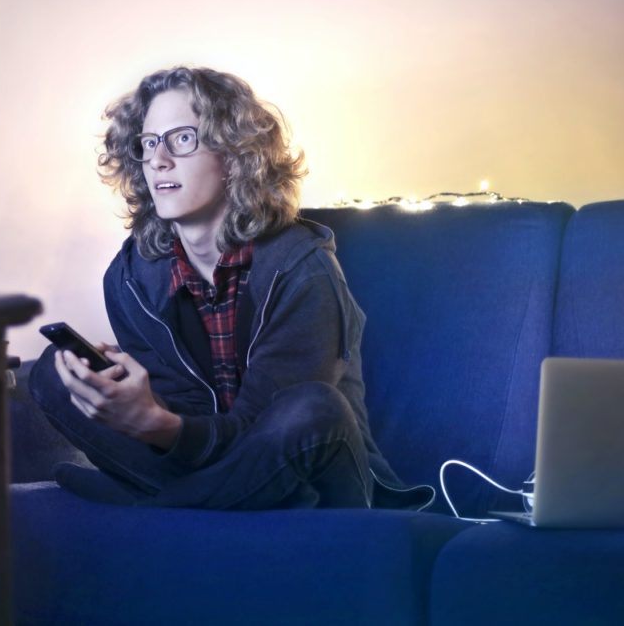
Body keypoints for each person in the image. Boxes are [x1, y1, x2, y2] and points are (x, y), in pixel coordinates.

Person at [29, 66, 431, 510]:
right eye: (148, 143)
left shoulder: (302, 271)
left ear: (236, 156)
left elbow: (264, 430)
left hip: (309, 481)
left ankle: (165, 504)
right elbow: (187, 428)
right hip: (205, 466)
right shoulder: (132, 278)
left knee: (315, 410)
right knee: (56, 368)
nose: (159, 160)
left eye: (182, 139)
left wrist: (154, 424)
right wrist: (139, 403)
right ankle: (194, 504)